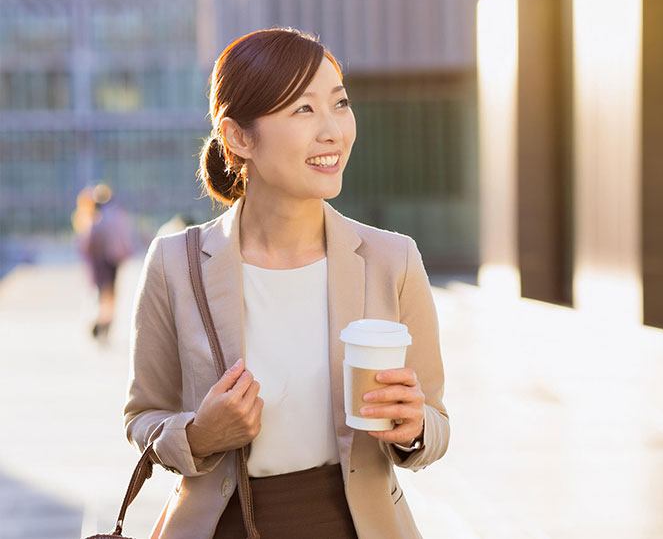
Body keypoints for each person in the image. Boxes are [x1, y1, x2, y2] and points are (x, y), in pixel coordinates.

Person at [123, 27, 450, 539]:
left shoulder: (393, 259)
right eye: (302, 110)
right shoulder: (174, 264)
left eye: (340, 104)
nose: (334, 131)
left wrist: (413, 429)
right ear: (238, 137)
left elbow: (435, 420)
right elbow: (143, 417)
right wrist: (200, 435)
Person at [72, 183, 133, 341]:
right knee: (109, 294)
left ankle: (102, 322)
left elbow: (87, 243)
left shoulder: (96, 217)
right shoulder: (115, 213)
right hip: (112, 260)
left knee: (103, 295)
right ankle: (105, 322)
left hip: (101, 262)